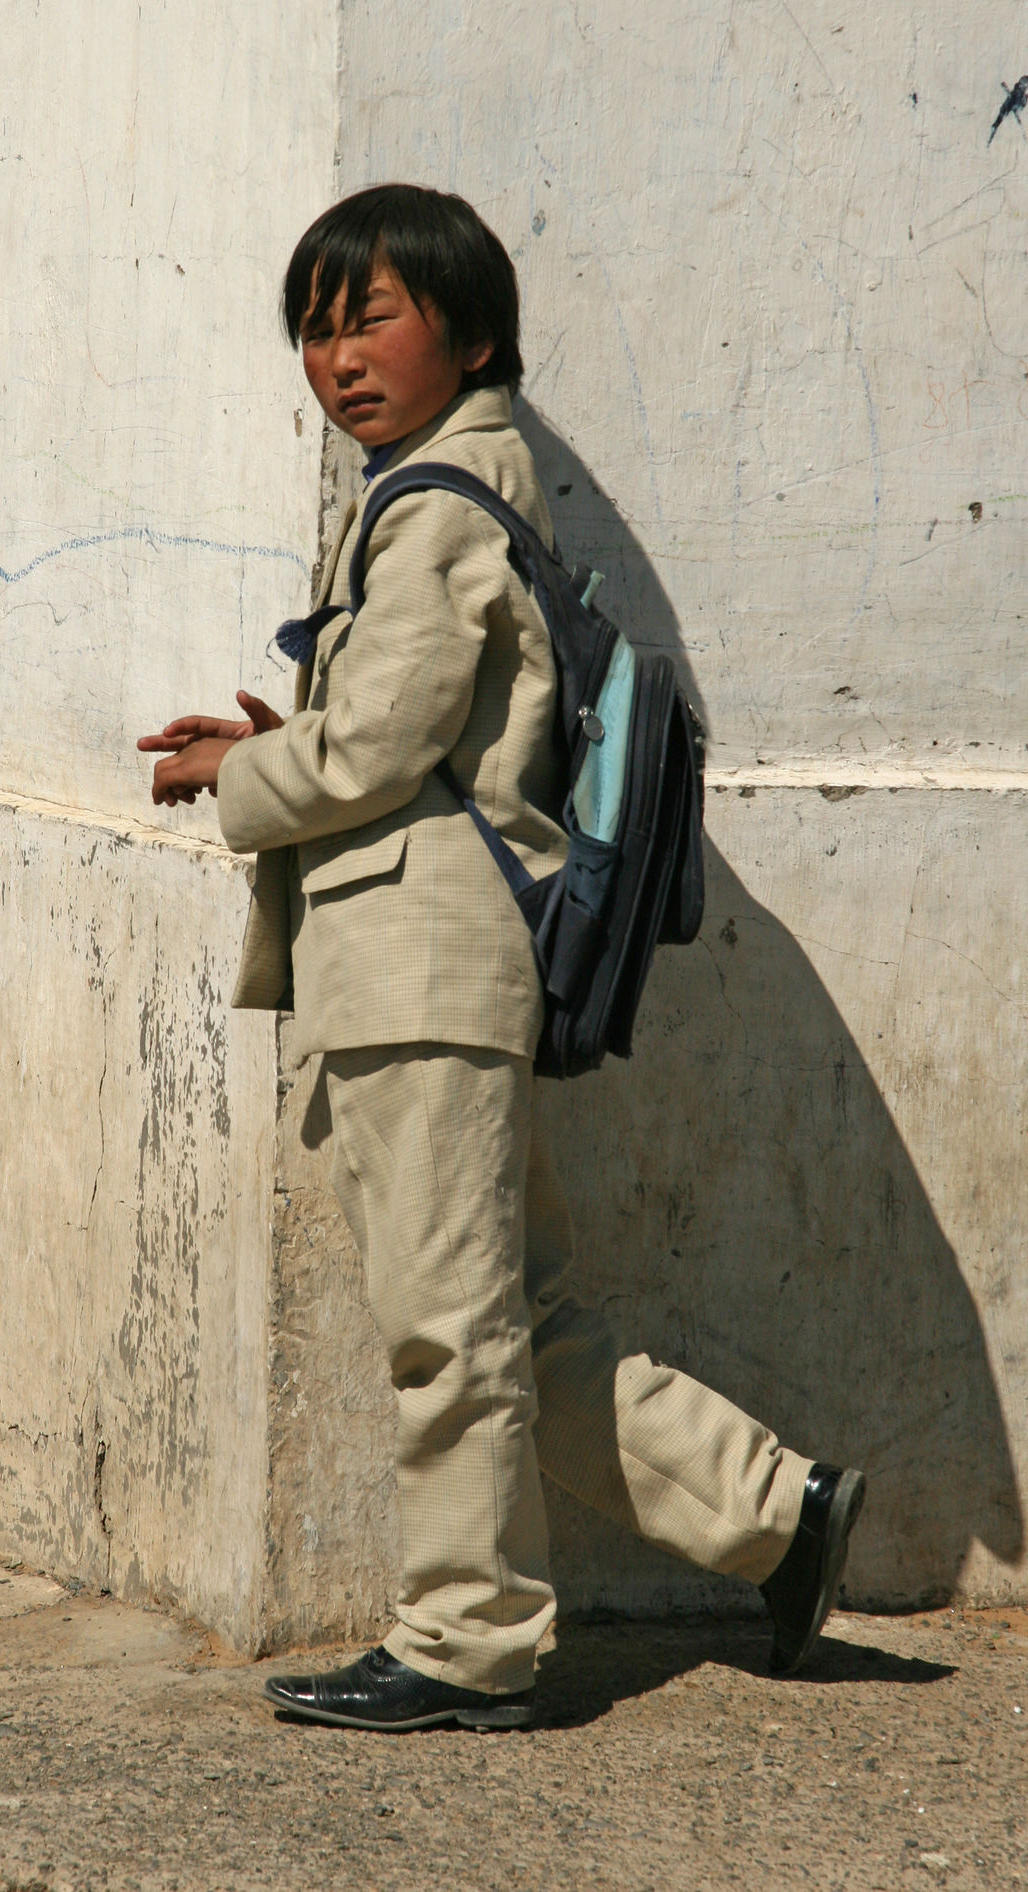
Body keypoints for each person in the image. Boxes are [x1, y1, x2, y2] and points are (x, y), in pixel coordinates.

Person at [137, 183, 865, 1732]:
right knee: (516, 1317)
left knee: (451, 1331)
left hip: (417, 968)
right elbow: (429, 731)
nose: (339, 359)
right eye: (317, 330)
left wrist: (240, 780)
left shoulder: (440, 503)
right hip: (445, 963)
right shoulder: (456, 487)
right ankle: (777, 1512)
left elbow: (389, 740)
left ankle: (471, 1641)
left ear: (471, 334)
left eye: (373, 318)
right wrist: (296, 745)